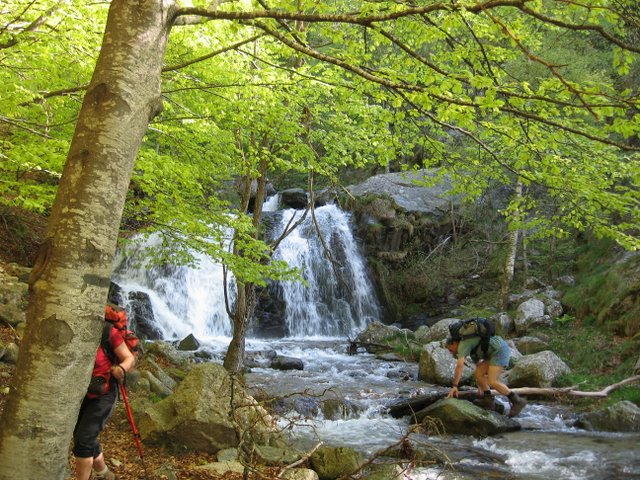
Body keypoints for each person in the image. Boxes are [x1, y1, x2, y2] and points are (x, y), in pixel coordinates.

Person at [73, 305, 135, 480]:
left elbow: (129, 358)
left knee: (84, 440)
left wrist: (121, 369)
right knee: (83, 435)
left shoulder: (108, 332)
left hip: (104, 393)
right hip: (80, 392)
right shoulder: (73, 329)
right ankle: (104, 473)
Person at [445, 334, 527, 417]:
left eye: (450, 349)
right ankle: (488, 401)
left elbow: (459, 366)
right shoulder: (470, 346)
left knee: (492, 381)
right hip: (493, 353)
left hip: (500, 351)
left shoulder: (463, 345)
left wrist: (455, 386)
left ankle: (518, 401)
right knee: (479, 373)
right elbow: (478, 367)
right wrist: (480, 388)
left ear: (454, 343)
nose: (451, 352)